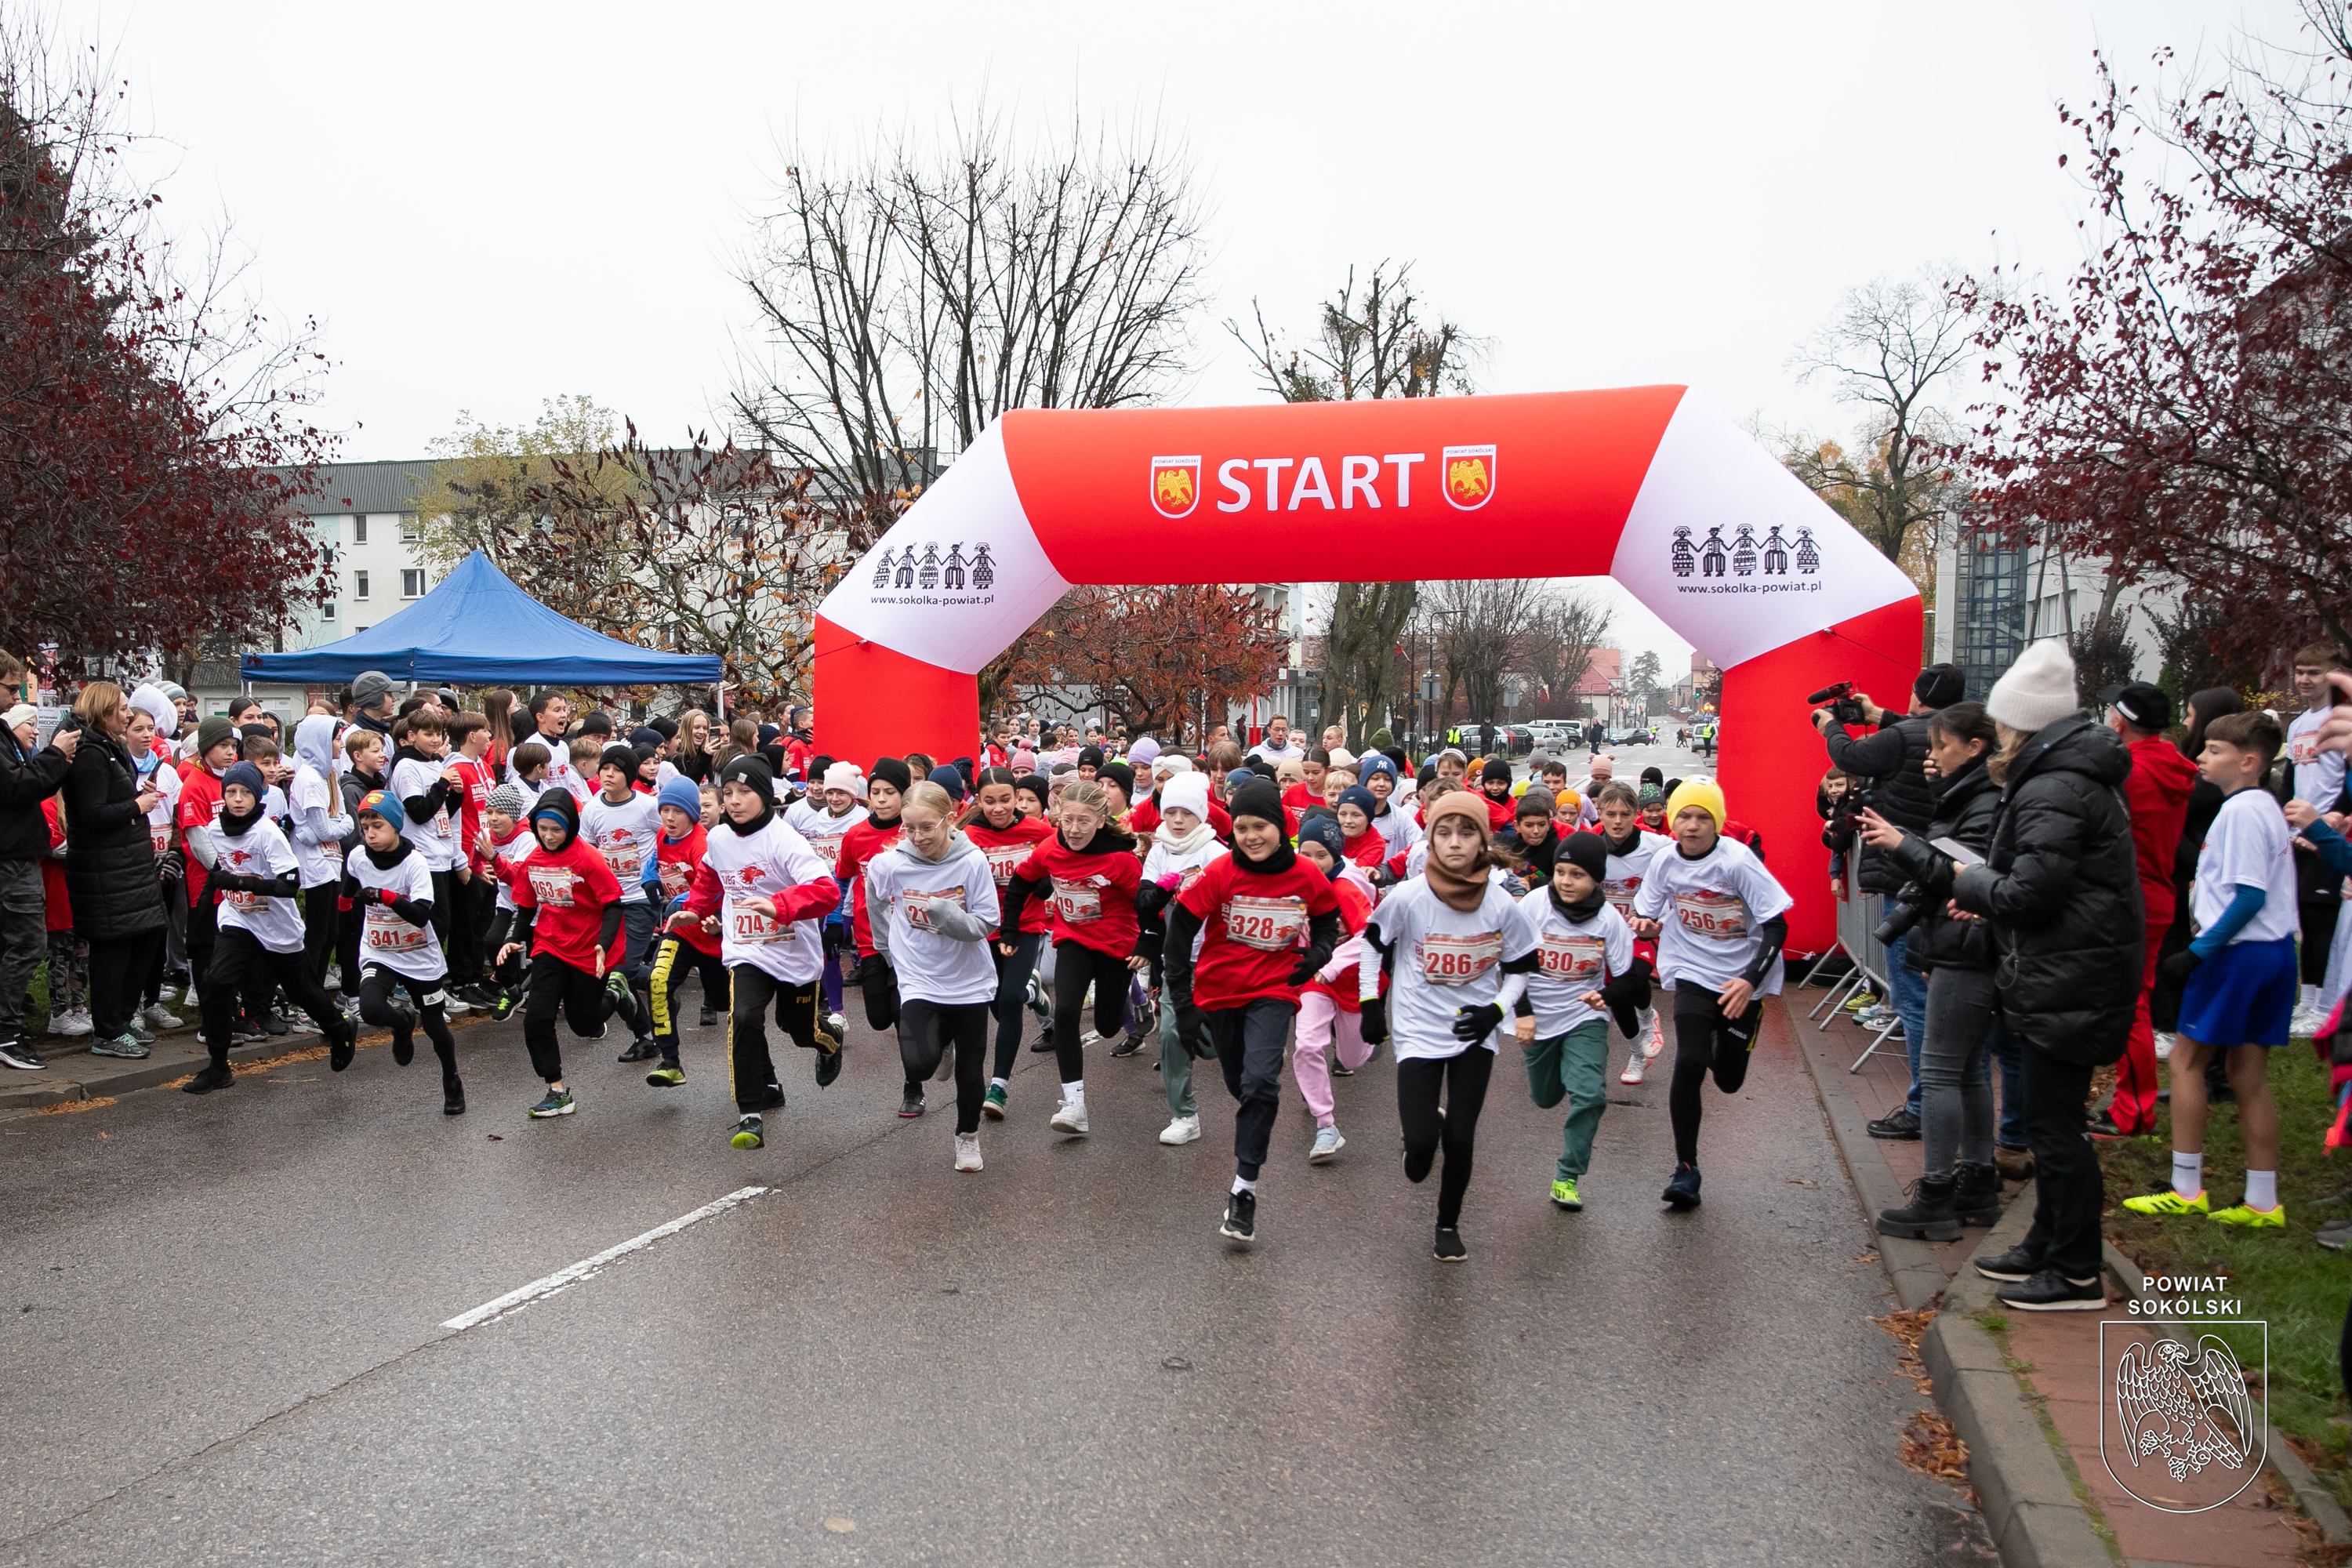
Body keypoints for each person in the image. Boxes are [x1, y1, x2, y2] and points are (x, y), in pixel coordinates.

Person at [1954, 641, 2140, 1312]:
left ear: (2018, 723)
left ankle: (2076, 1270)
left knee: (2057, 1130)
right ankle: (2046, 1240)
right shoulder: (2069, 775)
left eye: (2001, 722)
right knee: (2046, 1122)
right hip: (2068, 970)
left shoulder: (2054, 785)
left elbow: (2032, 891)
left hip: (2069, 976)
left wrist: (1972, 880)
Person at [2124, 710, 2296, 1229]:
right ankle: (2262, 1200)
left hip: (2235, 953)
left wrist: (2199, 952)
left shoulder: (2241, 811)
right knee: (2249, 1074)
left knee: (2185, 1061)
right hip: (2275, 951)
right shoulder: (2266, 805)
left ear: (2248, 762)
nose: (2201, 756)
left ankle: (2186, 1187)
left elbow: (2248, 895)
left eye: (2214, 750)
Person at [1357, 790, 1537, 1260]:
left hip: (1474, 1032)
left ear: (1482, 841)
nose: (1455, 842)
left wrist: (1496, 1012)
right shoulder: (1411, 896)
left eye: (1466, 832)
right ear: (1430, 840)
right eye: (1444, 832)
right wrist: (1371, 1002)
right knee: (1420, 1151)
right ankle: (1419, 1144)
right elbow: (1372, 943)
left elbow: (1521, 967)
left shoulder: (1500, 904)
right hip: (1417, 1028)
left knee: (1460, 1136)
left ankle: (1448, 1223)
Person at [1854, 702, 2009, 1240]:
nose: (1932, 756)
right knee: (1967, 1072)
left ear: (1975, 748)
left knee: (1942, 1070)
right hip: (1962, 945)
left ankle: (1938, 1193)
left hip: (1966, 949)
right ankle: (1977, 1184)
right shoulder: (1973, 794)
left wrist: (1902, 844)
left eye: (1941, 747)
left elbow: (1962, 872)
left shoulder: (1985, 801)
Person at [1162, 779, 1341, 1243]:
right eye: (1241, 827)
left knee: (1261, 1082)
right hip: (1220, 994)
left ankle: (1244, 1189)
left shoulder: (1305, 873)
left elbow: (1326, 914)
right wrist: (1183, 1006)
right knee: (1241, 1085)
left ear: (1280, 827)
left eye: (1260, 826)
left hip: (1275, 989)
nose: (1250, 836)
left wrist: (1319, 953)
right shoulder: (1219, 873)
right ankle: (1255, 1100)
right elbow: (1179, 933)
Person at [1813, 662, 1965, 1141]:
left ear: (1920, 696)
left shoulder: (1905, 737)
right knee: (1933, 998)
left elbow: (1852, 757)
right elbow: (1915, 732)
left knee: (1912, 998)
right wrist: (1877, 713)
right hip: (1949, 879)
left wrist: (1831, 724)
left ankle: (1924, 1106)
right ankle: (1943, 1100)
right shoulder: (1948, 735)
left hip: (1907, 880)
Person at [1628, 778, 1792, 1211]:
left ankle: (1739, 1034)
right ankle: (1686, 1169)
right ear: (1672, 819)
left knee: (1728, 1080)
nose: (1693, 825)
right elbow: (1646, 909)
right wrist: (1647, 924)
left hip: (1741, 977)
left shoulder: (1737, 861)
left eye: (1703, 817)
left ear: (1717, 822)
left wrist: (1751, 982)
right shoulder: (1665, 861)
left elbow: (1777, 925)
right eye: (1684, 815)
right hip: (1691, 970)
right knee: (1688, 1061)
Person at [668, 757, 846, 1149]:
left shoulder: (785, 840)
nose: (734, 800)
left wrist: (779, 906)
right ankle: (750, 1111)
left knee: (797, 1029)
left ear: (765, 795)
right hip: (746, 949)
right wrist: (695, 909)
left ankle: (829, 1040)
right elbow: (711, 876)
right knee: (744, 1017)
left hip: (792, 951)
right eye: (728, 792)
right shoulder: (717, 838)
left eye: (745, 792)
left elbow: (827, 892)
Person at [183, 762, 354, 1095]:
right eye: (231, 793)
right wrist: (203, 911)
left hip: (277, 926)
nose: (237, 799)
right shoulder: (215, 830)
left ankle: (339, 1027)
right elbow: (220, 869)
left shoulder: (266, 833)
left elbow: (291, 884)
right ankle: (218, 1066)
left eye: (245, 793)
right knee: (216, 981)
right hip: (240, 920)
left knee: (300, 991)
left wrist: (240, 881)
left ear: (258, 796)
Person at [999, 779, 1145, 1136]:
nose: (1074, 829)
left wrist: (1147, 946)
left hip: (1116, 945)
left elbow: (1147, 905)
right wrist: (1010, 929)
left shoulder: (1120, 860)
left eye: (1084, 821)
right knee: (1065, 1014)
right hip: (1073, 940)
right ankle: (1074, 1104)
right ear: (1057, 818)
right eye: (1067, 820)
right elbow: (1021, 882)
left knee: (1108, 1026)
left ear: (1100, 820)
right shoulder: (1050, 848)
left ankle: (1136, 1005)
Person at [866, 779, 1001, 1165]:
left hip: (968, 980)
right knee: (919, 1065)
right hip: (919, 976)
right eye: (909, 828)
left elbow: (986, 923)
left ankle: (967, 1137)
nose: (918, 836)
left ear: (950, 819)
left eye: (927, 827)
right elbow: (874, 896)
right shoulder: (891, 863)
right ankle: (941, 1045)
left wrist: (946, 915)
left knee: (971, 1071)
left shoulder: (972, 861)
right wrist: (884, 947)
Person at [1512, 829, 1644, 1212]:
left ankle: (1567, 1176)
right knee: (1545, 1097)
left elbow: (1631, 976)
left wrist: (1606, 996)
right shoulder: (1535, 906)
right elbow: (1509, 961)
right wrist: (1523, 1013)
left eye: (1578, 875)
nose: (1567, 882)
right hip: (1536, 1016)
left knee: (1589, 1094)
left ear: (1596, 879)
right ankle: (1552, 1076)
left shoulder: (1609, 921)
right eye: (1561, 872)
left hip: (1584, 1015)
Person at [2093, 681, 2198, 1138]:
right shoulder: (2170, 763)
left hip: (2130, 895)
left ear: (2119, 722)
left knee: (2129, 1007)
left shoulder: (2131, 771)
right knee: (2133, 1000)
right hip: (2156, 891)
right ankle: (2130, 1103)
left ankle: (2134, 1110)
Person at [498, 790, 641, 1120]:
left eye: (556, 830)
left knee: (583, 1025)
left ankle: (615, 993)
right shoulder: (533, 861)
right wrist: (513, 939)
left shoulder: (588, 858)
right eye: (542, 829)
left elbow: (613, 904)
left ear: (571, 828)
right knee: (537, 1018)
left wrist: (604, 944)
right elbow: (525, 907)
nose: (548, 837)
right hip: (550, 945)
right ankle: (557, 1091)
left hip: (590, 950)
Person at [61, 683, 168, 1060]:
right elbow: (91, 814)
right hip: (104, 871)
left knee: (148, 937)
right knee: (113, 950)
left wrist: (137, 795)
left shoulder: (109, 749)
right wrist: (138, 805)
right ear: (105, 711)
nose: (128, 714)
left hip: (127, 868)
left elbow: (112, 800)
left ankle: (122, 1021)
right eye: (123, 708)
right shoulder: (91, 753)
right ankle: (108, 1030)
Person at [339, 790, 465, 1114]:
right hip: (379, 951)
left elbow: (422, 914)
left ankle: (452, 1082)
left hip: (419, 955)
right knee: (369, 1009)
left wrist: (386, 897)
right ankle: (402, 1024)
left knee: (437, 1027)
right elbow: (349, 882)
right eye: (365, 827)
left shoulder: (415, 863)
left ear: (396, 827)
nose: (370, 834)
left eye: (378, 826)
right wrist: (346, 907)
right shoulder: (358, 856)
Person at [1287, 815, 1381, 1161]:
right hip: (1316, 980)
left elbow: (1371, 937)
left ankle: (1366, 1046)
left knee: (1350, 1058)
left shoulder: (1345, 889)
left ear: (1336, 855)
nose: (1311, 863)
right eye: (1305, 854)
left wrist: (1335, 962)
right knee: (1307, 1043)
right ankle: (1326, 1125)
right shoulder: (1296, 884)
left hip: (1356, 981)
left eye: (1321, 856)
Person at [965, 766, 1054, 1121]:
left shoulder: (1039, 831)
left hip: (1025, 925)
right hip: (983, 929)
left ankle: (998, 1086)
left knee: (1010, 999)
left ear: (1017, 797)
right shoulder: (969, 835)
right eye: (989, 801)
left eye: (1006, 799)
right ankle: (1033, 991)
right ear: (978, 800)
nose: (999, 808)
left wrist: (1047, 883)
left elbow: (1058, 867)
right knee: (997, 1004)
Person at [0, 662, 76, 1071]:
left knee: (14, 944)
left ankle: (8, 1028)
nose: (17, 697)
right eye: (12, 688)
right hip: (11, 860)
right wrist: (55, 754)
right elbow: (18, 787)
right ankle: (6, 1033)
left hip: (16, 855)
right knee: (29, 943)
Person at [579, 742, 662, 1061]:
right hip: (608, 901)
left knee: (624, 968)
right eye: (604, 769)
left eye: (616, 770)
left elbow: (667, 835)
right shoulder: (592, 809)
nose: (608, 775)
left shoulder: (645, 806)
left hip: (640, 897)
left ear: (629, 775)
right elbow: (585, 850)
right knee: (613, 971)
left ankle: (665, 981)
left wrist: (656, 871)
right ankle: (644, 1034)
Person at [2288, 644, 2351, 1036]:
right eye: (2299, 672)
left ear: (2332, 674)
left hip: (2328, 831)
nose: (2305, 680)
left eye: (2314, 672)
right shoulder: (2297, 725)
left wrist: (2335, 817)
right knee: (2307, 920)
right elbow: (2297, 779)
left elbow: (2346, 781)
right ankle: (2309, 1001)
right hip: (2301, 832)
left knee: (2324, 919)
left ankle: (2327, 1002)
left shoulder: (2341, 719)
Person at [644, 775, 724, 1083]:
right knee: (658, 982)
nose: (669, 818)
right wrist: (649, 879)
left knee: (723, 1003)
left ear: (691, 813)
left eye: (677, 812)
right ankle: (670, 1061)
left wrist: (681, 901)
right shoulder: (663, 837)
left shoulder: (703, 843)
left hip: (711, 930)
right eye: (665, 810)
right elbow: (657, 860)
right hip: (679, 932)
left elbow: (713, 886)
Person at [1593, 781, 1666, 1076]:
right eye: (1611, 814)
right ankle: (1637, 1054)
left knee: (1634, 978)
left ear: (1636, 813)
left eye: (1625, 814)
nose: (1618, 821)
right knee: (1618, 995)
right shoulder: (1591, 845)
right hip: (1606, 934)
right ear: (1600, 813)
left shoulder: (1657, 846)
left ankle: (1648, 1018)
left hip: (1640, 930)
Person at [839, 758, 909, 1033]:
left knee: (904, 1015)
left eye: (890, 792)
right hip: (870, 939)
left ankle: (912, 1077)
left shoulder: (913, 831)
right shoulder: (856, 836)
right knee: (879, 1019)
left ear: (904, 794)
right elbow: (843, 879)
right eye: (875, 792)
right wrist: (836, 922)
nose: (881, 800)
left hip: (909, 937)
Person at [287, 714, 351, 999]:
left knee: (331, 932)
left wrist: (322, 831)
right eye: (336, 739)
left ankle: (315, 990)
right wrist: (326, 830)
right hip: (314, 866)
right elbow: (324, 827)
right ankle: (306, 997)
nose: (340, 745)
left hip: (330, 861)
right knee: (317, 933)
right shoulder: (310, 779)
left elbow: (346, 821)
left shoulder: (328, 776)